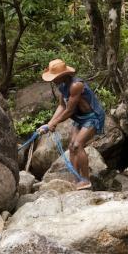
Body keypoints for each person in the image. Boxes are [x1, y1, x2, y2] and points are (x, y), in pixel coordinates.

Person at [37, 58, 106, 190]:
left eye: (54, 77)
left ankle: (86, 180)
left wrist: (54, 123)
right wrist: (49, 123)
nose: (52, 80)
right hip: (79, 118)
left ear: (62, 75)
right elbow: (62, 106)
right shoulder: (62, 86)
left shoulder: (76, 85)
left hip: (92, 117)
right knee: (71, 146)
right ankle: (77, 179)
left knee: (77, 144)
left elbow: (69, 110)